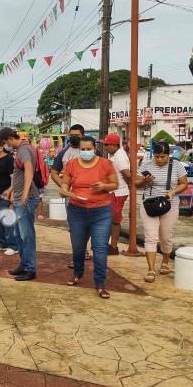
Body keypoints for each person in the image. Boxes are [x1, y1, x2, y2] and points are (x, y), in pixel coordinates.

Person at [60, 136, 119, 299]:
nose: (86, 152)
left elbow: (115, 185)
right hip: (77, 211)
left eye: (89, 149)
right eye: (83, 149)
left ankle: (100, 284)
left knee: (100, 248)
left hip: (101, 212)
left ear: (94, 148)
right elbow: (65, 183)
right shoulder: (72, 164)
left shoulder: (105, 164)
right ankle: (78, 273)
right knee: (78, 247)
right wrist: (64, 190)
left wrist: (104, 186)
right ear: (79, 150)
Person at [135, 141, 189, 283]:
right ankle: (151, 269)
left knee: (165, 236)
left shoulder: (176, 165)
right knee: (151, 237)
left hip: (169, 205)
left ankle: (165, 261)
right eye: (157, 156)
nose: (159, 160)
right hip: (149, 204)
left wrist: (173, 192)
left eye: (162, 157)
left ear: (168, 155)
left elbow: (184, 183)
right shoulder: (146, 164)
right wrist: (145, 181)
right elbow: (135, 183)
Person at [0, 127, 39, 281]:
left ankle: (30, 268)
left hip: (25, 199)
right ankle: (24, 264)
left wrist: (24, 194)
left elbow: (29, 171)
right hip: (19, 198)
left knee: (26, 235)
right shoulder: (22, 150)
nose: (6, 146)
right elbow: (19, 175)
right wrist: (11, 190)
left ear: (10, 139)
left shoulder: (24, 150)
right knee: (19, 235)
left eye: (5, 143)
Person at [50, 124, 91, 264]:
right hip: (71, 197)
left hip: (90, 195)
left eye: (77, 135)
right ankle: (78, 253)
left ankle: (83, 248)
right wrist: (63, 187)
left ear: (83, 135)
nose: (74, 137)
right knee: (74, 226)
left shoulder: (91, 151)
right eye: (71, 135)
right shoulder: (63, 152)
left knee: (88, 224)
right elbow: (54, 173)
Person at [103, 134, 132, 255]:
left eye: (106, 145)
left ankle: (113, 246)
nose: (105, 147)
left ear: (114, 145)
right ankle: (110, 245)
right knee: (111, 219)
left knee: (114, 220)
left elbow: (127, 174)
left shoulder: (119, 156)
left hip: (117, 192)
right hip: (114, 191)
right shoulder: (115, 154)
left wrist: (130, 185)